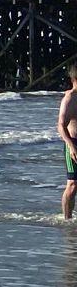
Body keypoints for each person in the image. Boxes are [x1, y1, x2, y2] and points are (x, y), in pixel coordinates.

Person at [60, 62, 77, 223]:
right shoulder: (70, 98)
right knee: (72, 185)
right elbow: (60, 125)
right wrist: (71, 146)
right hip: (73, 143)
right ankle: (67, 221)